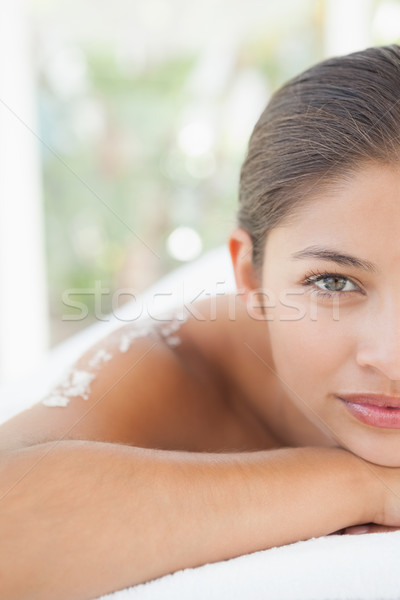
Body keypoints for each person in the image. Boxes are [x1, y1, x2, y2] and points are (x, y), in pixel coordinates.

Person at [1, 44, 400, 600]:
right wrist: (366, 486)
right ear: (250, 277)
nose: (390, 357)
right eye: (333, 282)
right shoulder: (173, 362)